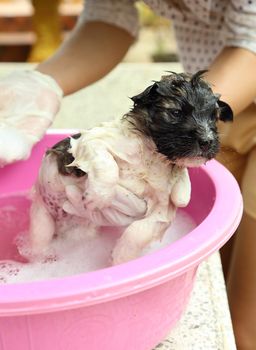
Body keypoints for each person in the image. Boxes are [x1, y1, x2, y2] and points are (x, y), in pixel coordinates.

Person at [0, 1, 255, 348]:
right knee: (217, 273)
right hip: (216, 106)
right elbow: (109, 17)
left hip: (222, 94)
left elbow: (251, 36)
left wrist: (182, 121)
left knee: (246, 314)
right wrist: (44, 83)